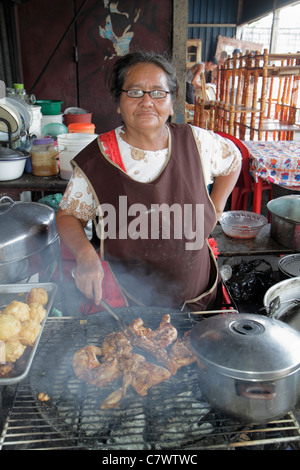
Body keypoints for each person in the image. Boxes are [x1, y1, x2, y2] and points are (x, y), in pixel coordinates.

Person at [56, 51, 241, 312]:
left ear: (172, 100)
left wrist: (216, 207)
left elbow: (233, 159)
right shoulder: (98, 159)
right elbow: (67, 216)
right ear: (118, 102)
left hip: (198, 291)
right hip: (132, 300)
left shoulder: (198, 143)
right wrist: (86, 255)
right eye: (134, 92)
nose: (146, 102)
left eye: (157, 92)